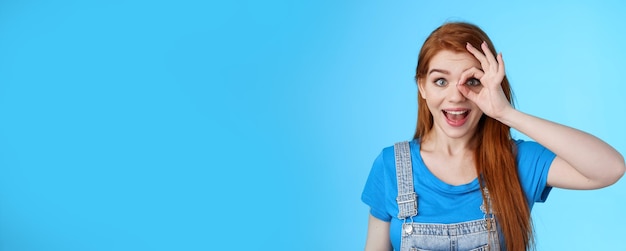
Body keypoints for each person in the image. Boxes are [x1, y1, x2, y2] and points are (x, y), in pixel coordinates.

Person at [361, 22, 625, 251]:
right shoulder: (390, 166)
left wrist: (505, 113)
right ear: (422, 87)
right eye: (441, 81)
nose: (456, 96)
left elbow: (610, 168)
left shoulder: (517, 161)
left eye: (472, 81)